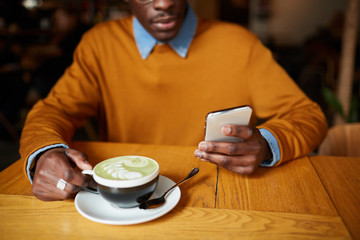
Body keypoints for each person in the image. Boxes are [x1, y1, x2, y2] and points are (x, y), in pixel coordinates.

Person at [20, 0, 327, 201]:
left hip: (223, 198)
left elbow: (307, 115)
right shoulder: (100, 45)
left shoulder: (239, 44)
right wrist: (44, 152)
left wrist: (267, 144)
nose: (164, 2)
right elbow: (55, 110)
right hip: (121, 204)